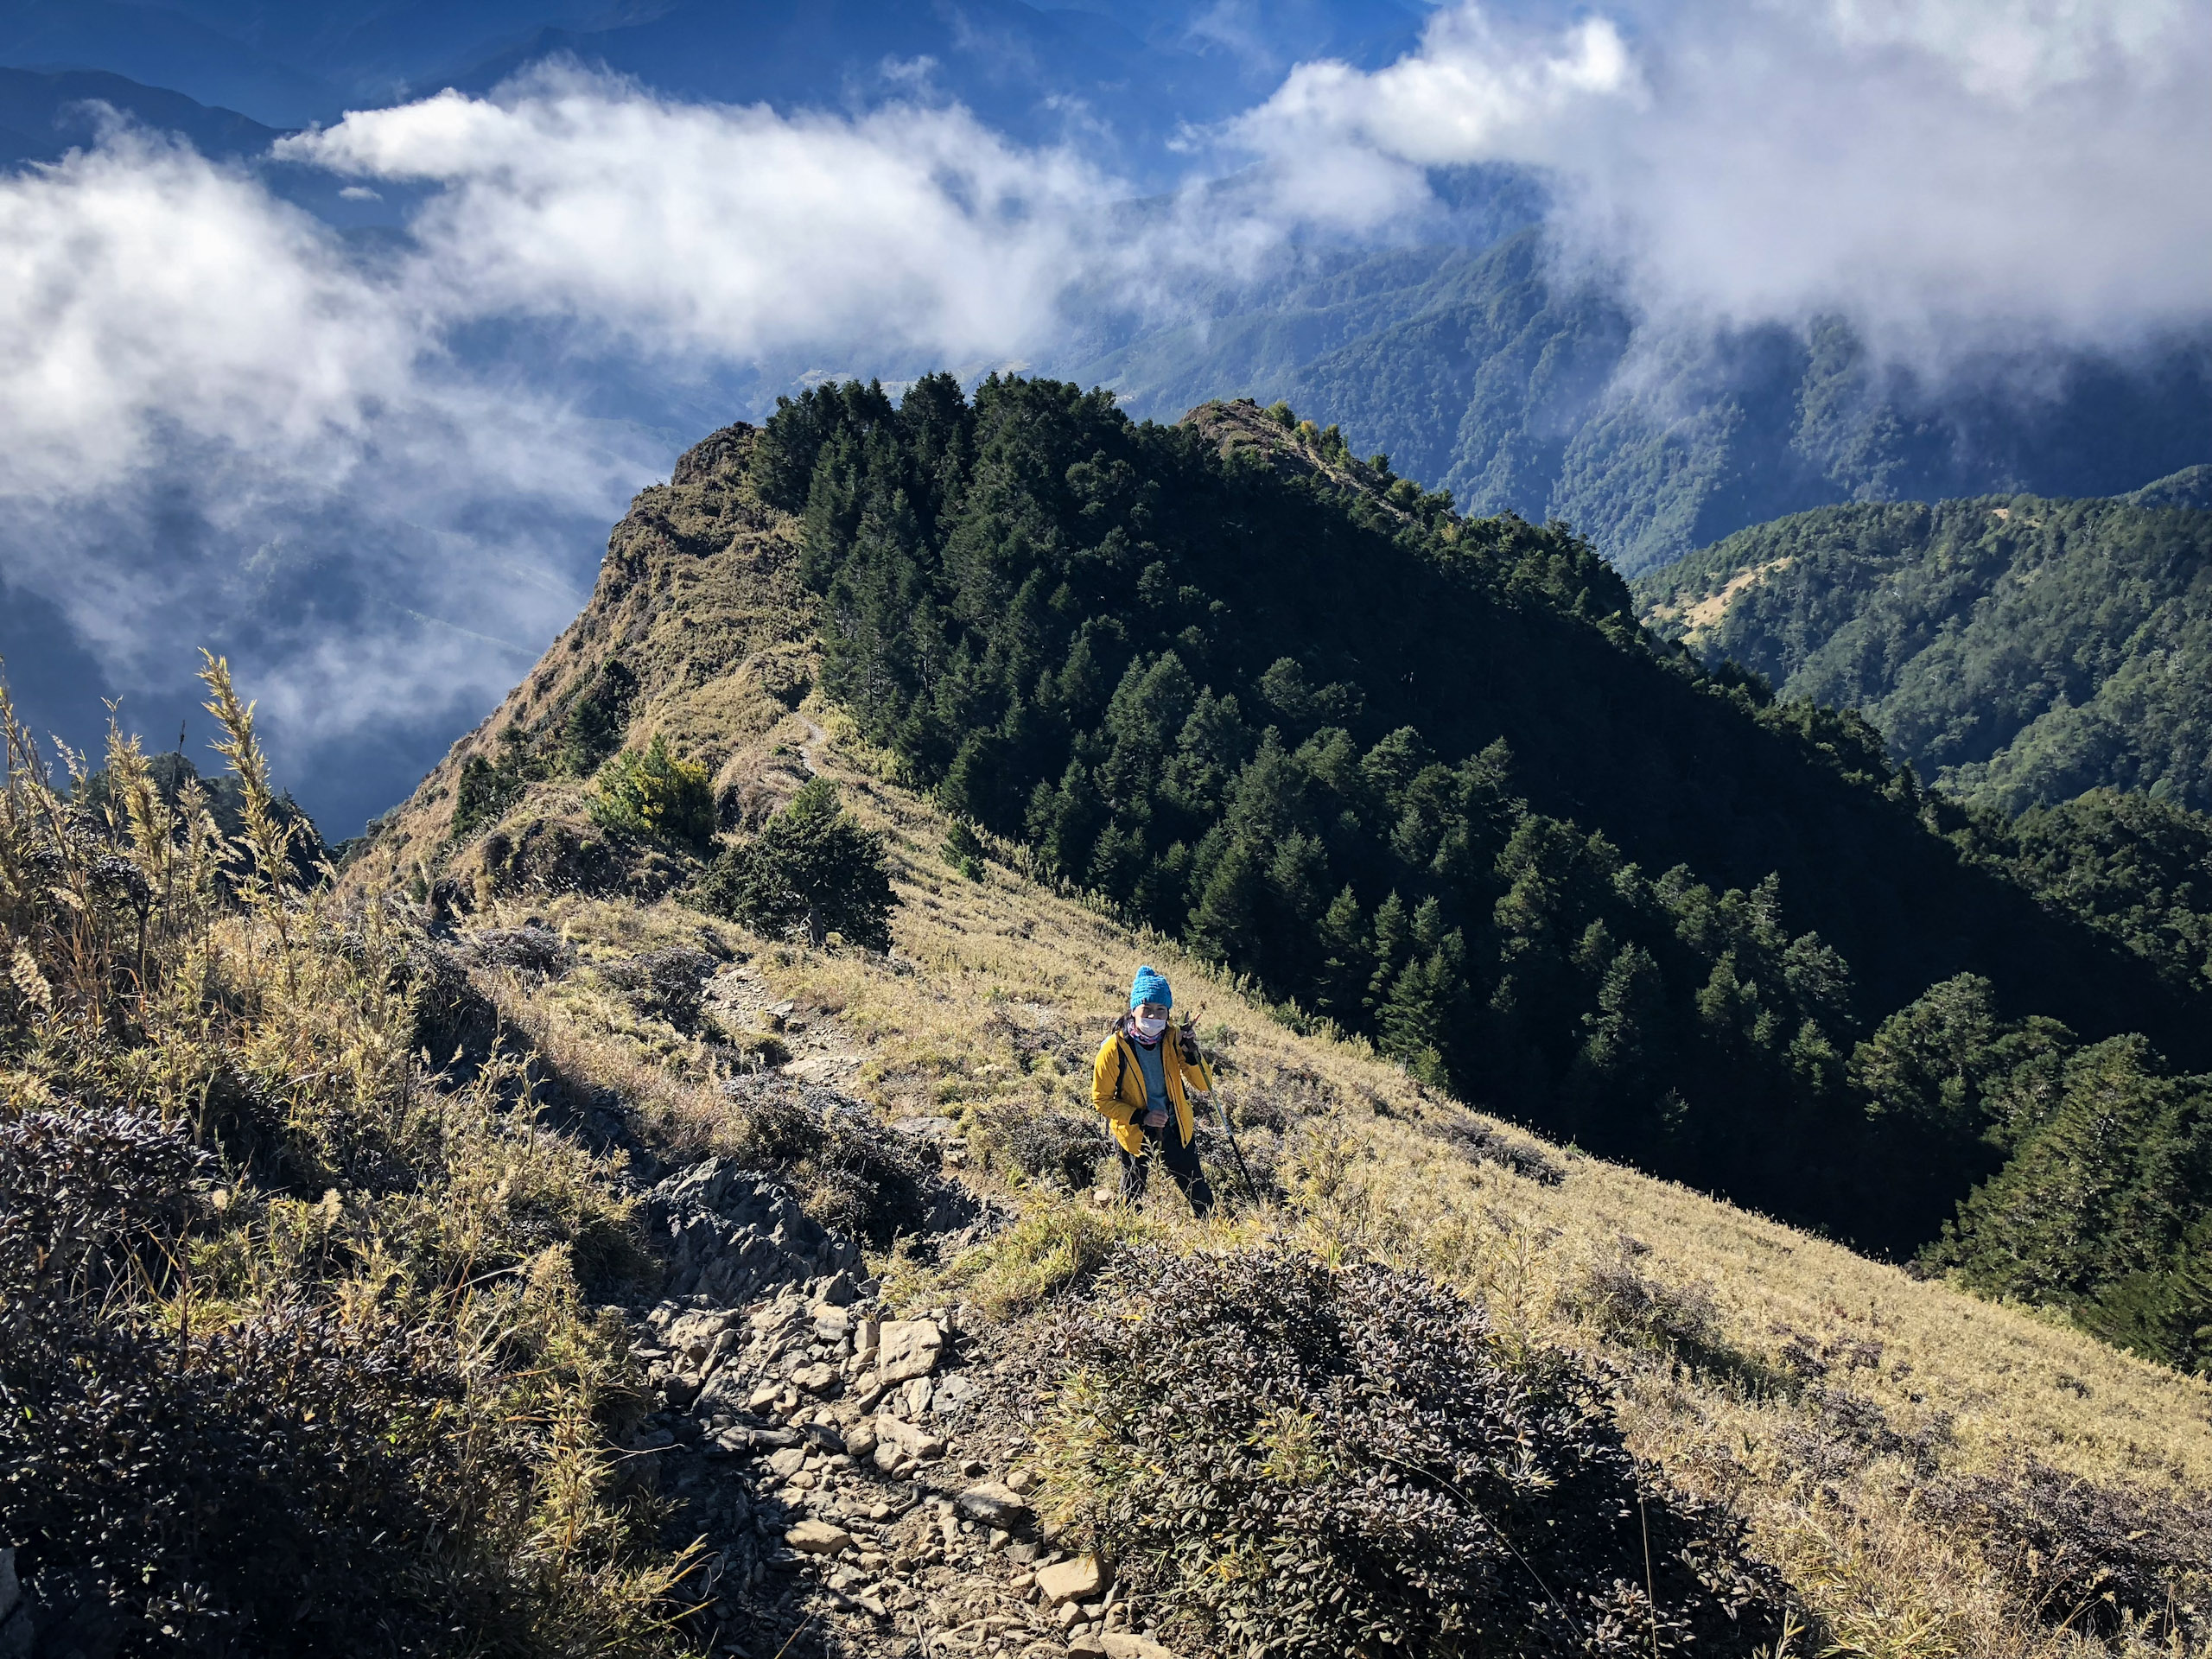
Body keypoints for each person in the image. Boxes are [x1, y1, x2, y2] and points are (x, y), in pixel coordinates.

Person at [1090, 964, 1217, 1216]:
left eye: (1161, 1010)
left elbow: (1204, 1085)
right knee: (1132, 1195)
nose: (1153, 1016)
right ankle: (1128, 1234)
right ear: (1133, 1010)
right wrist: (1141, 1117)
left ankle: (1214, 1229)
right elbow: (1101, 1100)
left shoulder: (1174, 1038)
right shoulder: (1113, 1049)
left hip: (1176, 1127)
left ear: (1168, 1013)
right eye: (1146, 1009)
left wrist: (1191, 1051)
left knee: (1199, 1193)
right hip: (1135, 1132)